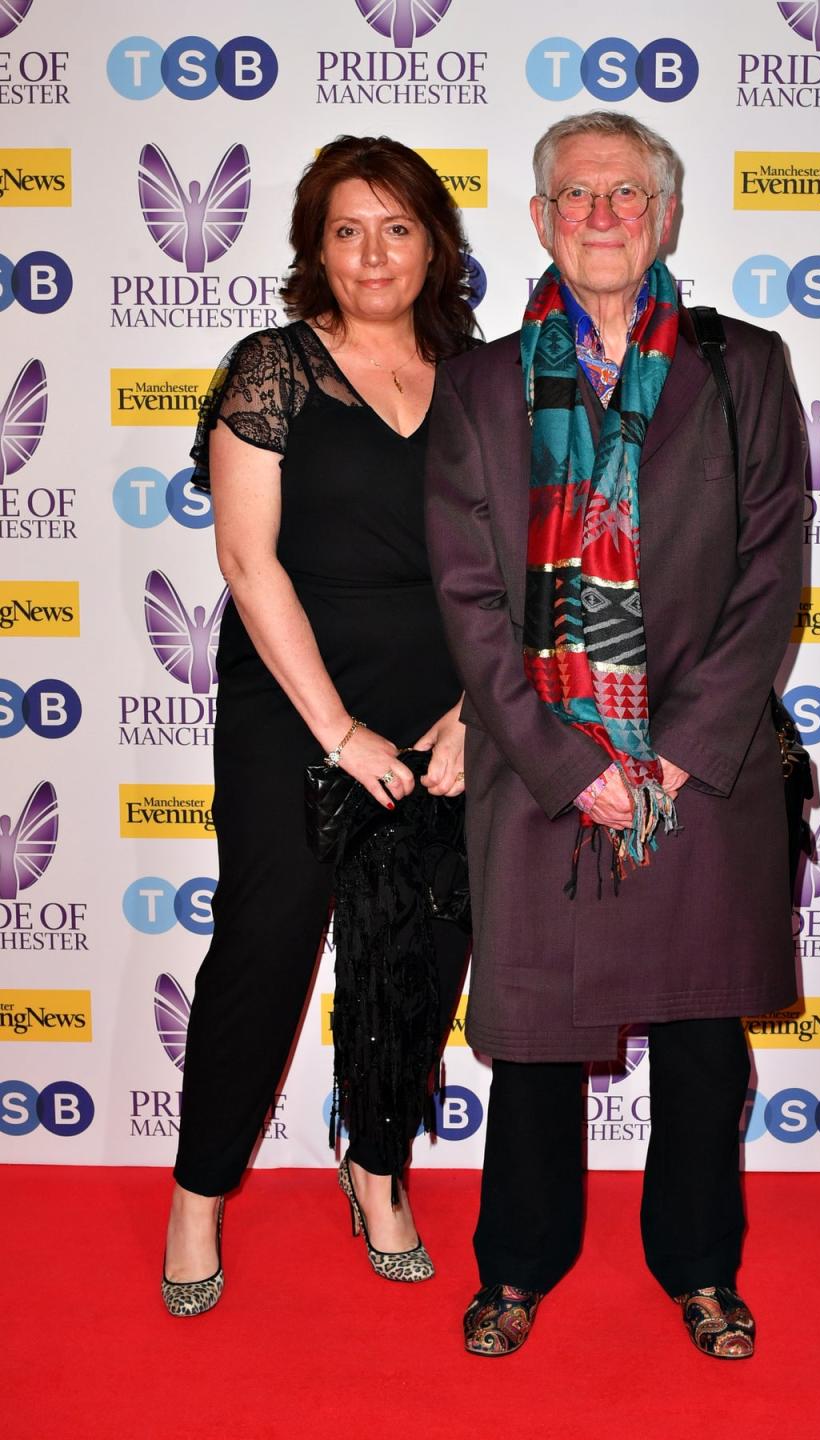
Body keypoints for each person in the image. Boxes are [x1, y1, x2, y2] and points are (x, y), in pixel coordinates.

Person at [425, 111, 805, 1359]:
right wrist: (566, 762)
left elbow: (771, 574)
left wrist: (682, 751)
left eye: (626, 196)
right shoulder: (477, 384)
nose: (601, 217)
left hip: (703, 770)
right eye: (575, 197)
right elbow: (470, 596)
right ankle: (518, 1268)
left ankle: (700, 1266)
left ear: (666, 219)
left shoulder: (742, 364)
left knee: (702, 1036)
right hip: (542, 772)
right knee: (533, 1035)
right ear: (538, 221)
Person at [160, 135, 477, 1316]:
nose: (372, 252)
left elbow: (506, 571)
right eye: (347, 229)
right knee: (263, 953)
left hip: (444, 718)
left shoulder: (480, 378)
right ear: (315, 247)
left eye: (395, 227)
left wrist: (465, 718)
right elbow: (248, 562)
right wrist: (339, 731)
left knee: (418, 957)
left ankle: (376, 1165)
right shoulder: (272, 369)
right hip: (294, 713)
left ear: (434, 242)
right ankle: (199, 1195)